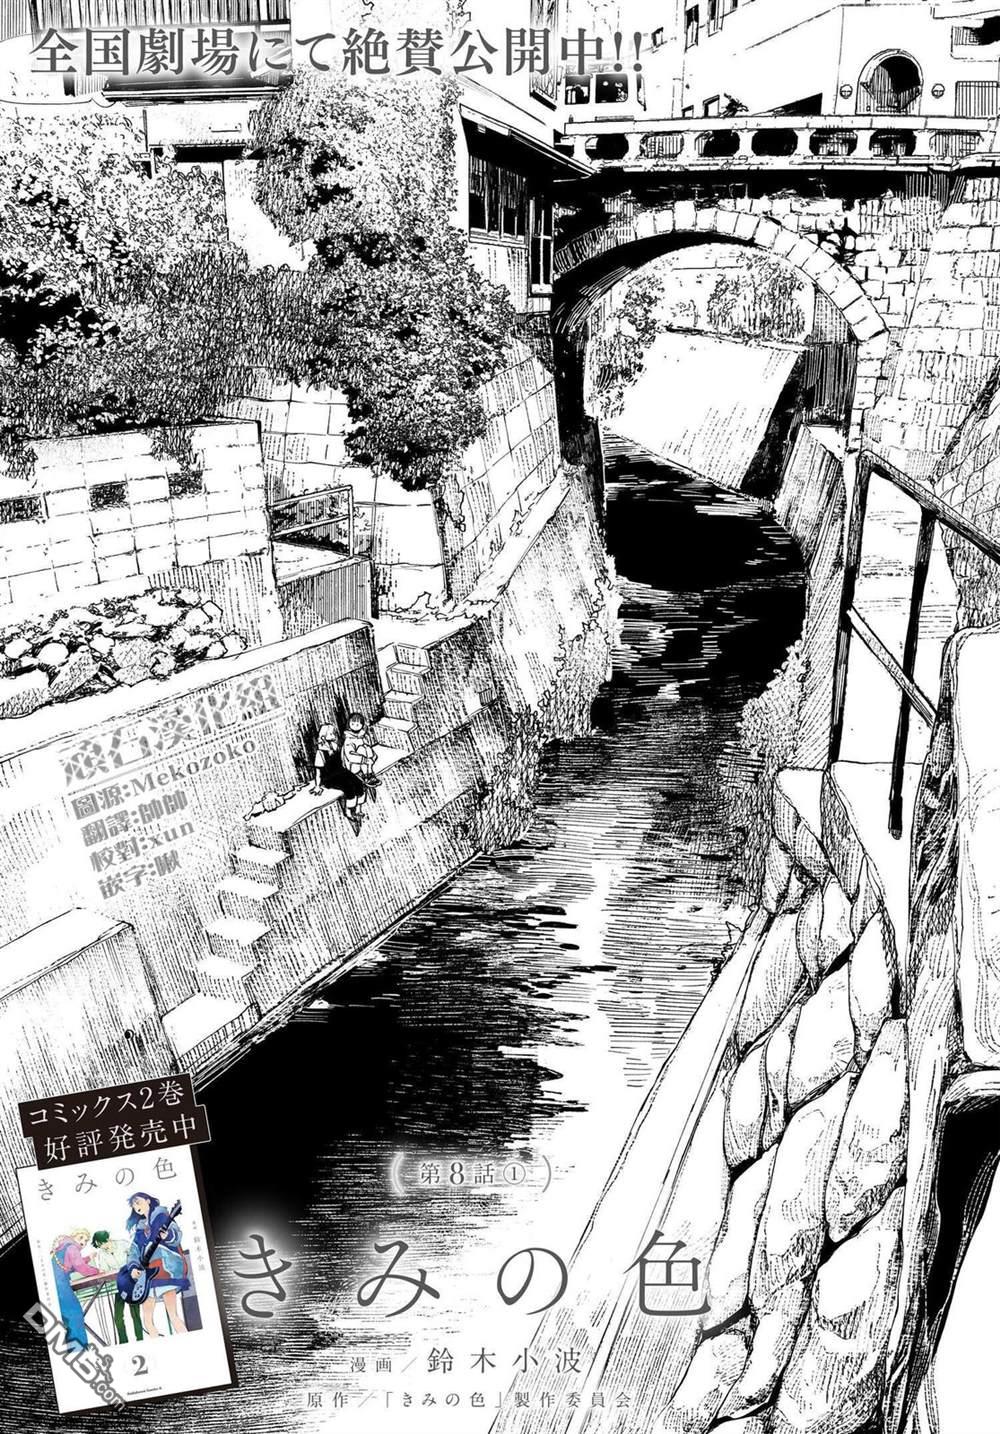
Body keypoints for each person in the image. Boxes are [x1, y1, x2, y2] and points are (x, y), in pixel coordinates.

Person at [124, 1193, 189, 1338]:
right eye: (134, 1205)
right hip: (147, 1277)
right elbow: (133, 1251)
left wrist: (168, 1235)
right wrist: (133, 1267)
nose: (136, 1207)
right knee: (147, 1321)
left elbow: (177, 1235)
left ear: (148, 1200)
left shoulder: (162, 1216)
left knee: (173, 1316)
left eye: (138, 1202)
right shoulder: (140, 1228)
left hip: (165, 1270)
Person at [88, 1230, 142, 1344]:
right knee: (117, 1317)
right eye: (99, 1246)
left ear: (107, 1239)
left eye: (101, 1244)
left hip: (132, 1284)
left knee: (135, 1314)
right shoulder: (102, 1254)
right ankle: (123, 1342)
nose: (101, 1247)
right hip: (118, 1286)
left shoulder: (123, 1244)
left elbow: (136, 1256)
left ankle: (140, 1339)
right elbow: (105, 1270)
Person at [51, 1229, 101, 1350]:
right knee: (75, 1317)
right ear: (73, 1236)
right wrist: (97, 1271)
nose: (83, 1241)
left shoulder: (62, 1247)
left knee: (67, 1320)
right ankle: (80, 1351)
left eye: (86, 1240)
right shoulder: (72, 1247)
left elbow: (72, 1265)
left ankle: (73, 1350)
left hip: (55, 1286)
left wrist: (88, 1258)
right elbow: (81, 1267)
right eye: (81, 1237)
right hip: (61, 1286)